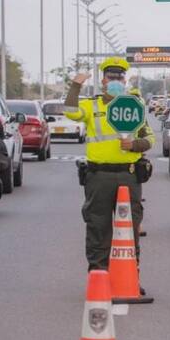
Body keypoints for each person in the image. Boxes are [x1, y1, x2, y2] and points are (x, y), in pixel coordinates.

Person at [65, 57, 156, 273]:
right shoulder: (92, 105)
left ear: (125, 81)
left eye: (119, 77)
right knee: (98, 226)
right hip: (99, 177)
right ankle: (99, 274)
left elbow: (150, 139)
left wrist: (134, 145)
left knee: (130, 227)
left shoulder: (134, 106)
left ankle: (130, 276)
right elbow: (70, 111)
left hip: (128, 176)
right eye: (110, 77)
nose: (115, 81)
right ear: (103, 80)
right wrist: (76, 85)